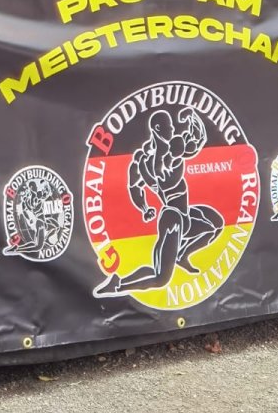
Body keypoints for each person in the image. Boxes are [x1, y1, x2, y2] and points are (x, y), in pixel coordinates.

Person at [93, 108, 224, 296]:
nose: (172, 129)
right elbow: (198, 139)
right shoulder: (168, 154)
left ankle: (183, 255)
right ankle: (119, 284)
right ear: (157, 129)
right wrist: (192, 117)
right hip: (173, 218)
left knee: (216, 225)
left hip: (183, 214)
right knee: (161, 278)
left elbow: (135, 187)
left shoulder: (144, 161)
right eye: (168, 126)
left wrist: (145, 208)